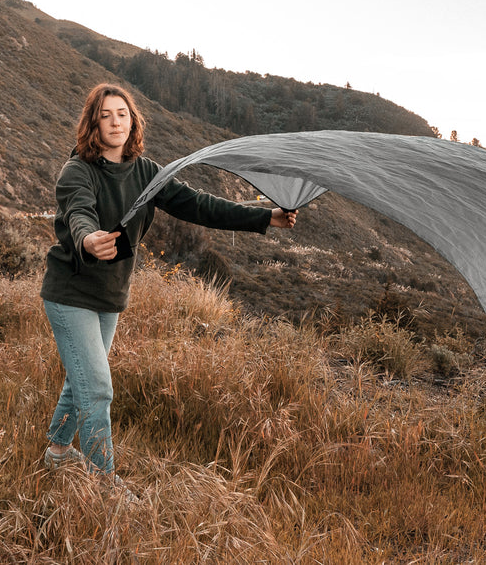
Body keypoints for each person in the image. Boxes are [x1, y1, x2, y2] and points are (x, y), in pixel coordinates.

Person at [39, 83, 297, 494]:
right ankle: (104, 485)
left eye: (122, 113)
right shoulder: (78, 171)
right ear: (93, 123)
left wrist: (264, 218)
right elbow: (79, 213)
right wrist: (89, 240)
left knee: (82, 380)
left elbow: (199, 205)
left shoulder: (146, 172)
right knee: (98, 387)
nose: (115, 121)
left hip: (109, 296)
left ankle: (55, 454)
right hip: (70, 294)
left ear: (133, 120)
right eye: (105, 115)